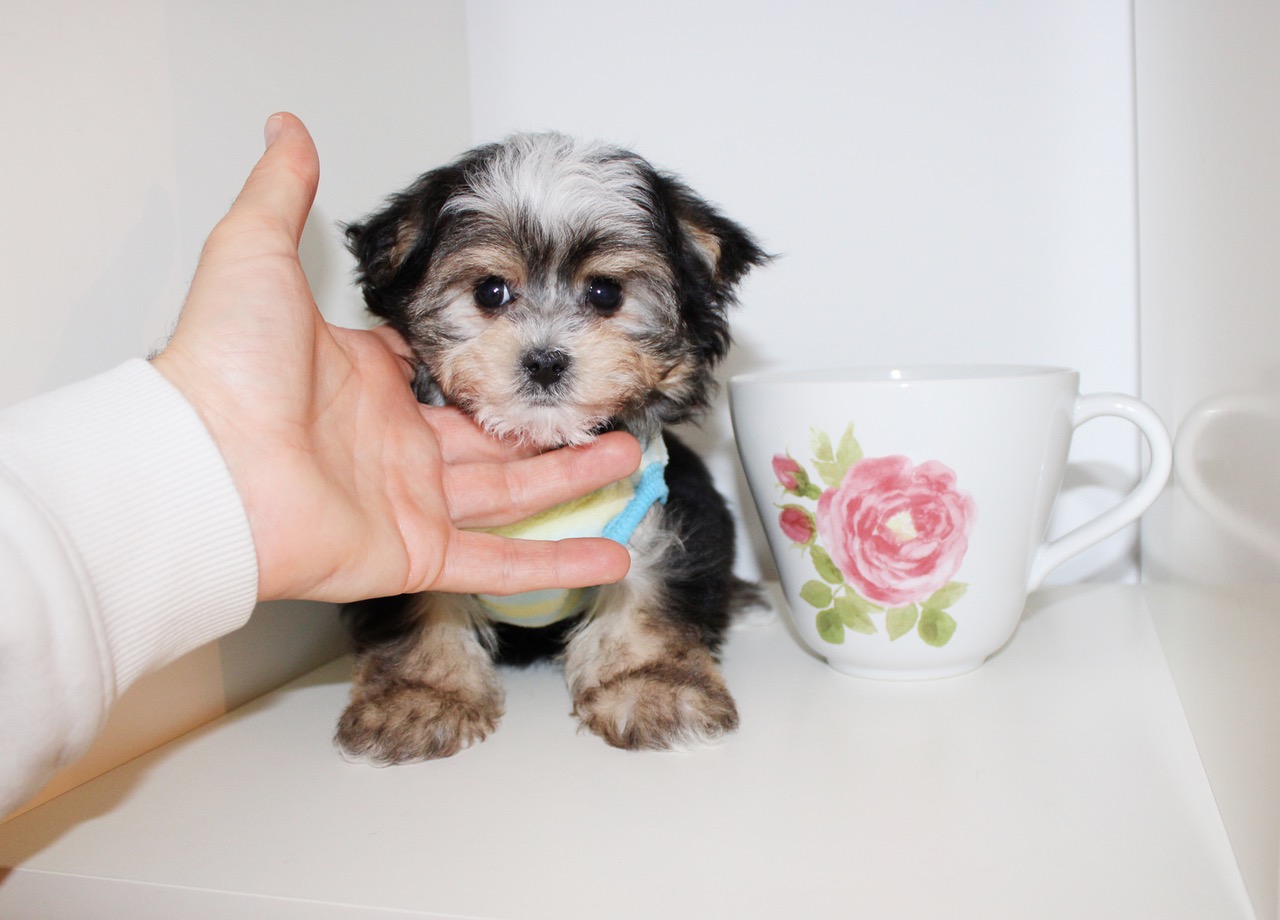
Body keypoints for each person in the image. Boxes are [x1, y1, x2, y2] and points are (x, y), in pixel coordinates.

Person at [0, 113, 641, 816]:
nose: (546, 346)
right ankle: (430, 673)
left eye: (602, 295)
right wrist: (217, 433)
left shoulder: (635, 463)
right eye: (492, 293)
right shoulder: (399, 469)